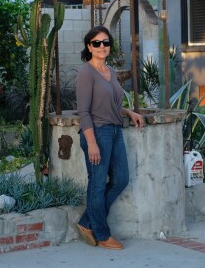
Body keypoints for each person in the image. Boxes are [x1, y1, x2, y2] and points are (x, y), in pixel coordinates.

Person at [75, 25, 144, 250]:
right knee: (97, 185)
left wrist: (128, 112)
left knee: (121, 179)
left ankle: (86, 222)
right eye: (97, 43)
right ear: (89, 47)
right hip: (98, 133)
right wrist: (92, 143)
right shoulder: (86, 73)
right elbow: (84, 112)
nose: (102, 46)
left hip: (115, 131)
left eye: (106, 42)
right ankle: (102, 235)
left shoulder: (110, 71)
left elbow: (111, 104)